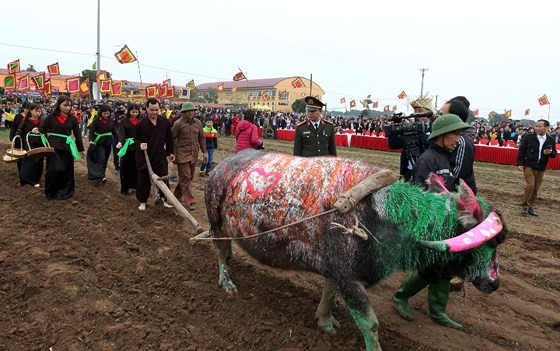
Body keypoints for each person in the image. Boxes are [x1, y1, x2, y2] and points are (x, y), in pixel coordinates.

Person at [392, 114, 471, 330]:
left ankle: (437, 311)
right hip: (432, 225)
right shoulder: (427, 160)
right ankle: (400, 296)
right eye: (456, 133)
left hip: (446, 221)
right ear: (442, 135)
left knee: (445, 267)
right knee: (432, 267)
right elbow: (420, 197)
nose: (458, 138)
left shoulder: (445, 157)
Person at [40, 95, 85, 200]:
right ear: (59, 105)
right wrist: (37, 130)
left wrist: (81, 149)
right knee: (53, 169)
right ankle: (50, 192)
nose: (67, 108)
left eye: (69, 106)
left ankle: (66, 193)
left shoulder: (72, 119)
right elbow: (43, 129)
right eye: (65, 105)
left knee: (66, 170)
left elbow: (77, 134)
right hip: (53, 147)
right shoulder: (51, 118)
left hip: (67, 147)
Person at [134, 98, 175, 211]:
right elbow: (135, 140)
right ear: (146, 108)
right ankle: (143, 201)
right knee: (144, 180)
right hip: (145, 157)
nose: (154, 113)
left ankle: (163, 199)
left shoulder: (164, 122)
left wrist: (170, 152)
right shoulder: (141, 124)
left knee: (163, 178)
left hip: (159, 156)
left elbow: (169, 139)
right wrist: (140, 145)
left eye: (156, 110)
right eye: (151, 110)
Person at [516, 119, 557, 216]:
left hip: (541, 166)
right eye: (536, 126)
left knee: (536, 189)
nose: (537, 128)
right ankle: (525, 207)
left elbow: (554, 154)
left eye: (540, 126)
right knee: (530, 185)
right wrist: (520, 163)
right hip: (529, 165)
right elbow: (522, 150)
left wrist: (550, 153)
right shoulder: (529, 137)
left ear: (546, 127)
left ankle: (530, 207)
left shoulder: (550, 140)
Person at [171, 102, 207, 210]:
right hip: (181, 153)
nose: (191, 113)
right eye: (188, 111)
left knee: (189, 177)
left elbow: (202, 137)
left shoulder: (198, 123)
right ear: (184, 112)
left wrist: (204, 152)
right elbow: (172, 138)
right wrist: (172, 153)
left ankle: (177, 194)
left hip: (193, 153)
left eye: (192, 111)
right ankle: (190, 200)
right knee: (186, 177)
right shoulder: (178, 124)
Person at [387, 97, 432, 181]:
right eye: (415, 111)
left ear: (429, 113)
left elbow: (430, 144)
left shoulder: (434, 127)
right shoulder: (408, 126)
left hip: (427, 174)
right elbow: (393, 145)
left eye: (420, 111)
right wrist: (394, 129)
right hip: (408, 172)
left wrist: (417, 131)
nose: (416, 114)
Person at [439, 97, 477, 194]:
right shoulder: (445, 138)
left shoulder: (461, 142)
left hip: (459, 197)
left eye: (441, 114)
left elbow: (455, 176)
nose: (438, 118)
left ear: (455, 117)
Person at [87, 104, 115, 183]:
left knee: (105, 158)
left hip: (108, 142)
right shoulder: (96, 120)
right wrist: (90, 140)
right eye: (104, 113)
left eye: (108, 113)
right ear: (100, 113)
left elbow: (114, 132)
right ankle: (101, 175)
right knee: (101, 157)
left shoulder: (111, 121)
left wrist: (119, 141)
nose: (106, 115)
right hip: (98, 142)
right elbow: (91, 131)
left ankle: (102, 174)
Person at [18, 102, 44, 187]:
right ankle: (27, 180)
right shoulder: (26, 121)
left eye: (40, 111)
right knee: (30, 162)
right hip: (29, 144)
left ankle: (36, 179)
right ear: (31, 111)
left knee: (39, 162)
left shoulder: (41, 122)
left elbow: (45, 131)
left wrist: (39, 130)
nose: (38, 113)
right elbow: (20, 132)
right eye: (36, 111)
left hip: (39, 144)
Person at [116, 103, 140, 194]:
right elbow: (121, 133)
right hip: (127, 147)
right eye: (133, 112)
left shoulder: (140, 121)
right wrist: (120, 142)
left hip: (137, 147)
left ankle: (135, 186)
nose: (134, 114)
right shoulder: (124, 122)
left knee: (136, 167)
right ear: (129, 111)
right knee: (125, 167)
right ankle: (125, 188)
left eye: (136, 112)